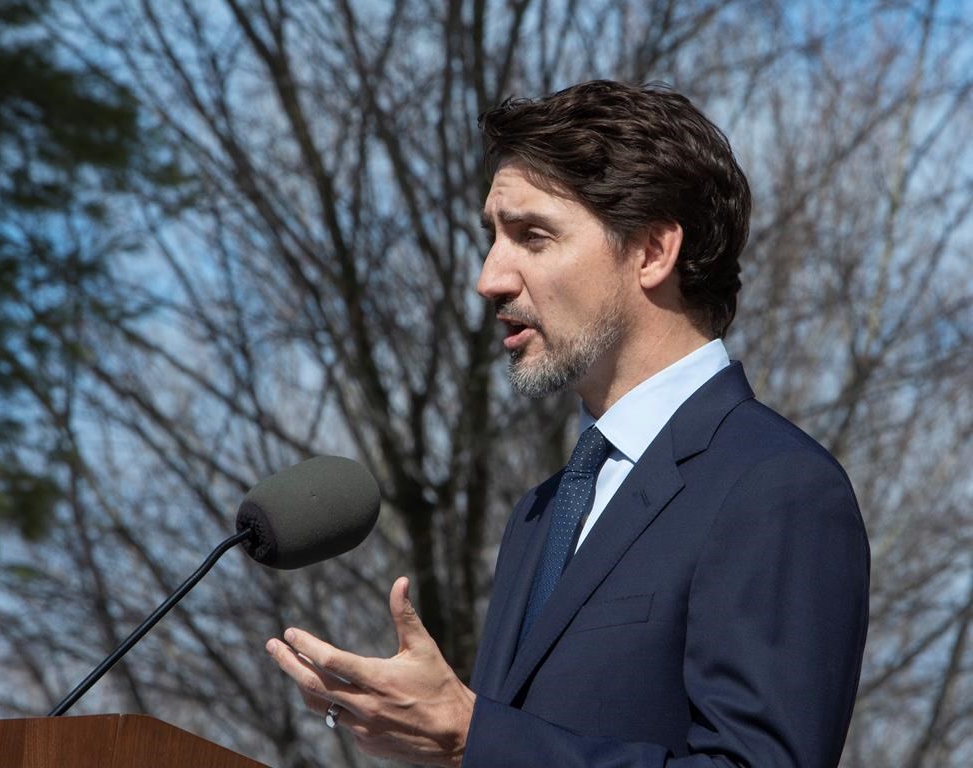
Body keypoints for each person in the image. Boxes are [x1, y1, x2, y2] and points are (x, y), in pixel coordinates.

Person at [265, 80, 870, 767]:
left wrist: (472, 738)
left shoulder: (775, 486)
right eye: (493, 237)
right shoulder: (541, 513)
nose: (490, 278)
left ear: (652, 251)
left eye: (533, 236)